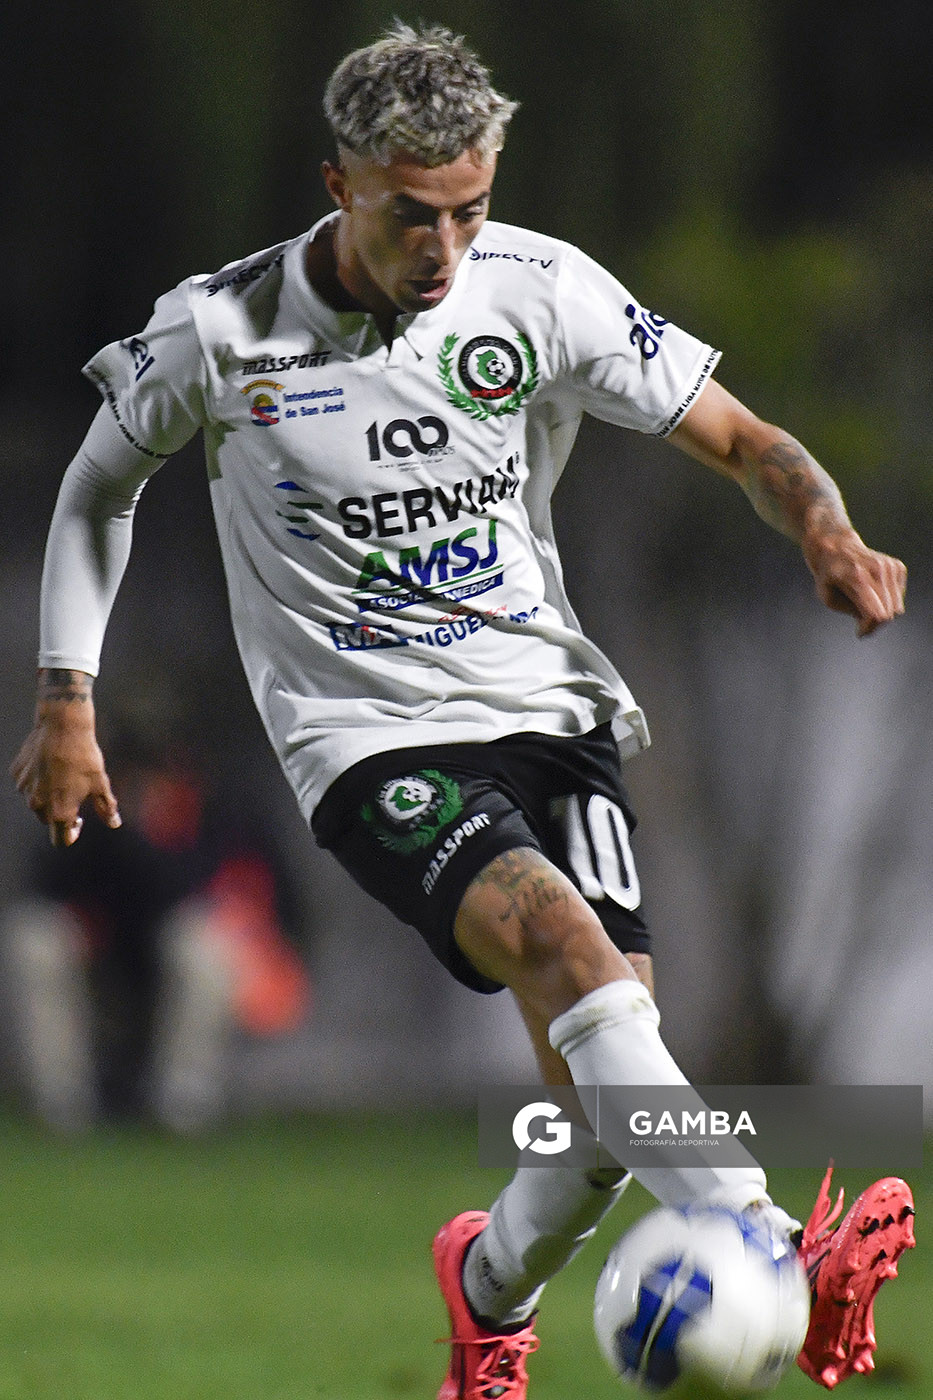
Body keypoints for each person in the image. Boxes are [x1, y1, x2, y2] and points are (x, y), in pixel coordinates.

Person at [10, 22, 912, 1397]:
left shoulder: (537, 290)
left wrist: (825, 531)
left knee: (605, 1092)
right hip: (365, 740)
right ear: (339, 183)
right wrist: (65, 699)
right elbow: (94, 491)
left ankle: (484, 1294)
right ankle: (771, 1241)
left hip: (546, 710)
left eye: (469, 211)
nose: (443, 248)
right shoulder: (220, 329)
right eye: (410, 216)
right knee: (560, 946)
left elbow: (742, 439)